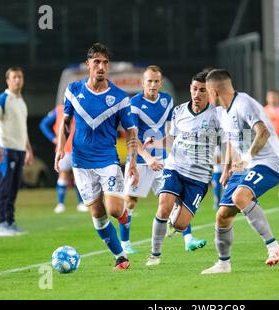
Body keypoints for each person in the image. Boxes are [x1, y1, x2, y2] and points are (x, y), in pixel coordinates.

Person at [54, 43, 139, 271]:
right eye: (97, 62)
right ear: (88, 65)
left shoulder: (120, 97)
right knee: (97, 213)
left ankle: (124, 217)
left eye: (105, 63)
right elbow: (66, 121)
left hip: (107, 160)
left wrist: (132, 162)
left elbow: (131, 132)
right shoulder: (73, 90)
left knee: (113, 209)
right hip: (81, 162)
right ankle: (121, 257)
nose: (101, 67)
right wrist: (60, 148)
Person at [201, 69, 279, 275]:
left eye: (206, 91)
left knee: (241, 196)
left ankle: (274, 248)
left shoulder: (244, 103)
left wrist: (247, 157)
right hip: (245, 165)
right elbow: (232, 140)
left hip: (268, 162)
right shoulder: (222, 112)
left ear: (214, 90)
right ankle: (223, 264)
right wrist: (226, 168)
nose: (206, 96)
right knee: (222, 215)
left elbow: (263, 132)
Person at [122, 65, 207, 253]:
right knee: (130, 201)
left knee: (176, 198)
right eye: (149, 81)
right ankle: (125, 243)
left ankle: (188, 239)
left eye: (156, 81)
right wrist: (147, 158)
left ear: (161, 83)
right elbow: (133, 137)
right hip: (141, 160)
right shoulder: (133, 104)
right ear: (143, 82)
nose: (152, 85)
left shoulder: (167, 101)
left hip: (164, 160)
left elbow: (171, 131)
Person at [145, 71, 221, 266]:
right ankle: (154, 255)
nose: (197, 94)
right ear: (190, 88)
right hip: (175, 168)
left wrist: (232, 163)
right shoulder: (179, 111)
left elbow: (230, 140)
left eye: (202, 90)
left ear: (209, 92)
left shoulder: (217, 115)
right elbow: (171, 139)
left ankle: (176, 215)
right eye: (194, 89)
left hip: (199, 177)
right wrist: (155, 143)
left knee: (181, 224)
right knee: (163, 206)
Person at [0, 67, 34, 237]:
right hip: (6, 149)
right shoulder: (2, 99)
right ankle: (1, 224)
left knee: (14, 188)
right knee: (3, 187)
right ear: (8, 80)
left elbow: (23, 129)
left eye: (20, 76)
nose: (17, 80)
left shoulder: (21, 101)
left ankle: (10, 222)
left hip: (20, 150)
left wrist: (28, 149)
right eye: (14, 77)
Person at [39, 105, 88, 213]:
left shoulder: (82, 108)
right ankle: (60, 204)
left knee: (78, 176)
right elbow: (43, 124)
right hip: (64, 149)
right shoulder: (59, 110)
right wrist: (53, 138)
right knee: (63, 175)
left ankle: (81, 203)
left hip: (79, 149)